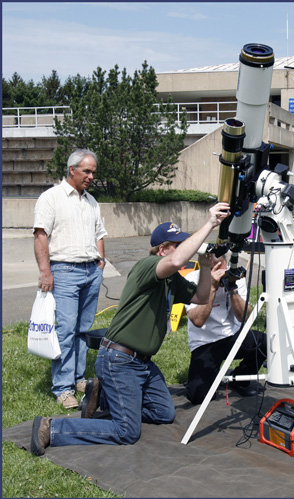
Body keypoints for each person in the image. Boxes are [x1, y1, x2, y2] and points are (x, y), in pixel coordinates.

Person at [30, 202, 231, 456]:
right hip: (119, 360)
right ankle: (52, 427)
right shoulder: (147, 267)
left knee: (164, 413)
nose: (182, 250)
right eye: (176, 244)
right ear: (162, 250)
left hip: (142, 364)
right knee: (127, 431)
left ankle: (102, 395)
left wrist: (205, 268)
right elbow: (178, 259)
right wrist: (210, 223)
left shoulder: (172, 279)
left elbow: (202, 297)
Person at [33, 148, 107, 409]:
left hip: (91, 272)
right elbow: (40, 235)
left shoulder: (91, 201)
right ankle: (62, 388)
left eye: (93, 172)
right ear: (71, 169)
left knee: (83, 332)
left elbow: (100, 233)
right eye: (86, 171)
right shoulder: (50, 198)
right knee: (65, 331)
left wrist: (100, 262)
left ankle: (77, 378)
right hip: (63, 272)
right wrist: (45, 272)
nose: (90, 176)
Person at [185, 253, 267, 404]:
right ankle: (211, 377)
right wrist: (212, 287)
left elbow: (243, 316)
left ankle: (240, 380)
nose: (221, 274)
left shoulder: (234, 275)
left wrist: (232, 288)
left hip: (232, 335)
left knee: (264, 342)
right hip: (205, 342)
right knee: (198, 397)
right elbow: (197, 320)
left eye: (223, 268)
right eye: (215, 270)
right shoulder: (192, 279)